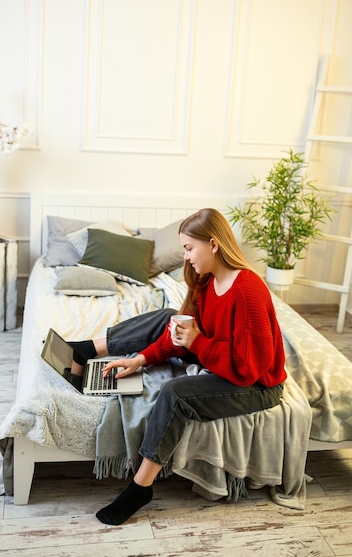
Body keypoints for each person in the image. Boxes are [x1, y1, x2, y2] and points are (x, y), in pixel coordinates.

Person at [64, 208, 287, 525]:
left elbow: (247, 368)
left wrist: (197, 343)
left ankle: (141, 487)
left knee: (175, 394)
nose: (185, 257)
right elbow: (183, 338)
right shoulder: (209, 284)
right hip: (226, 366)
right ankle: (88, 348)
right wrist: (140, 359)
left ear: (213, 244)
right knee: (167, 317)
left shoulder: (247, 291)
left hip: (256, 385)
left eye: (188, 248)